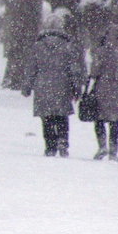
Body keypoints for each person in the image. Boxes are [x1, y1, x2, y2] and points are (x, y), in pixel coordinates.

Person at [21, 14, 85, 157]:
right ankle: (63, 140)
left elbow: (32, 68)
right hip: (63, 85)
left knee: (47, 117)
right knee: (62, 115)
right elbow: (74, 69)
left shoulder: (38, 46)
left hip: (43, 85)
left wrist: (27, 86)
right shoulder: (67, 46)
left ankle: (50, 145)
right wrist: (76, 87)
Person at [90, 23, 118, 161]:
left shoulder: (101, 52)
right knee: (115, 121)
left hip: (103, 88)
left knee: (99, 118)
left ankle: (102, 145)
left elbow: (94, 72)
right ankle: (113, 151)